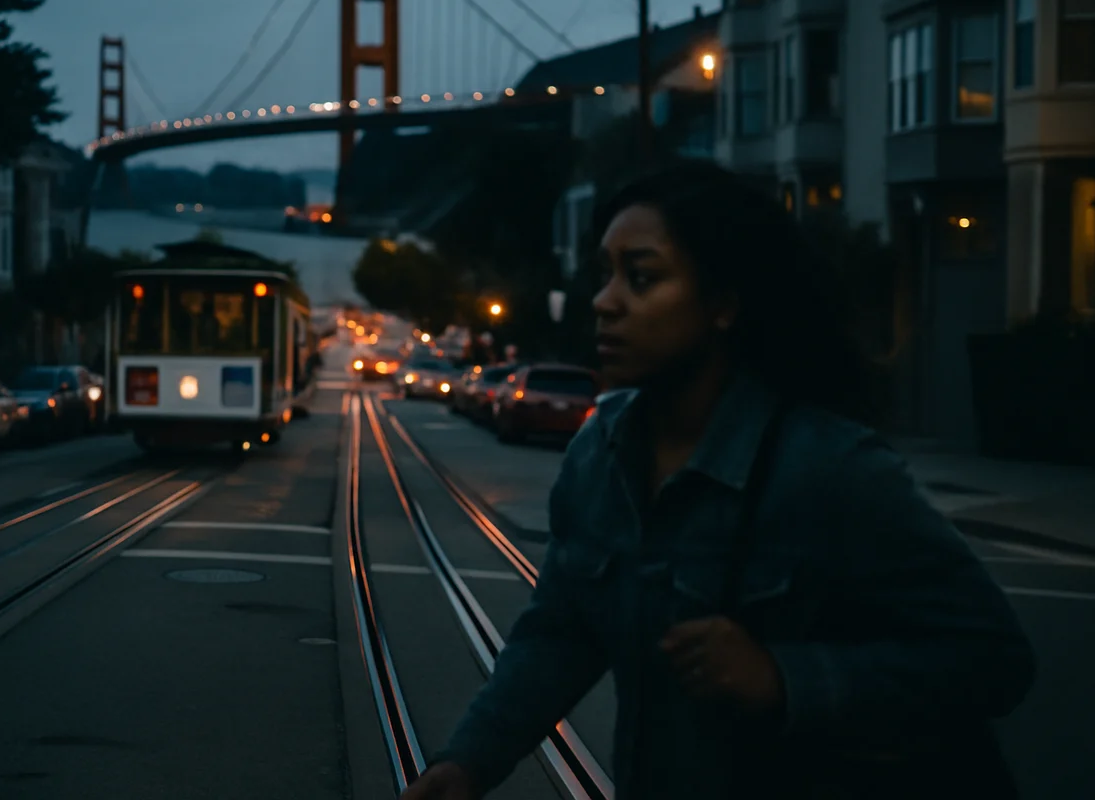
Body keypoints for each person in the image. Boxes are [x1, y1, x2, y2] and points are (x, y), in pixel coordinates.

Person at [402, 161, 1034, 800]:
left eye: (641, 278)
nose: (604, 301)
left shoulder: (828, 467)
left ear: (724, 305)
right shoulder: (602, 448)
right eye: (606, 275)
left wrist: (783, 678)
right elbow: (562, 630)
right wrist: (468, 763)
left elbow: (992, 659)